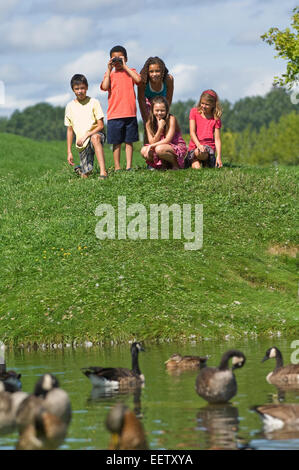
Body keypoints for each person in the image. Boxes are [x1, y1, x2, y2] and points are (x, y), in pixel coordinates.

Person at [100, 45, 141, 171]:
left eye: (120, 59)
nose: (117, 61)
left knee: (129, 141)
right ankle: (117, 167)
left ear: (126, 59)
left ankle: (129, 166)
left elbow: (138, 80)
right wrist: (108, 69)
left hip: (130, 113)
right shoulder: (110, 75)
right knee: (116, 142)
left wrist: (125, 66)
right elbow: (105, 87)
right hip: (114, 114)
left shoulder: (131, 71)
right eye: (114, 59)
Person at [65, 74, 107, 179]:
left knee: (95, 138)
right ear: (73, 90)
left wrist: (87, 135)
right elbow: (70, 130)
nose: (80, 91)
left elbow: (100, 125)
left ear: (87, 87)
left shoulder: (94, 102)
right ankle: (81, 170)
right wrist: (69, 151)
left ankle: (103, 172)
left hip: (96, 135)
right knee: (86, 174)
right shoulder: (70, 106)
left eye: (82, 88)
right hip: (82, 144)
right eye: (77, 89)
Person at [140, 96, 187, 170]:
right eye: (157, 110)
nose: (159, 113)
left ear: (167, 110)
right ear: (152, 110)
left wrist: (151, 146)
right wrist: (160, 128)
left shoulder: (171, 119)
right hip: (158, 146)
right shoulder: (149, 123)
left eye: (162, 110)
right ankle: (163, 165)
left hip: (174, 146)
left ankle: (176, 164)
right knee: (143, 150)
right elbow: (152, 141)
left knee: (159, 149)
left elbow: (168, 140)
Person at [186, 89, 222, 169]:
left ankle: (206, 161)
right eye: (202, 103)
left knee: (202, 153)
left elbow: (217, 139)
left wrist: (219, 156)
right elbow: (192, 132)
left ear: (213, 105)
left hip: (208, 148)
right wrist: (198, 145)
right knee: (197, 166)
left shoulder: (215, 118)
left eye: (207, 104)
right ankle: (195, 160)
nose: (203, 106)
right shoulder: (194, 112)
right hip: (195, 146)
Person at [138, 57, 174, 124]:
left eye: (157, 71)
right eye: (151, 72)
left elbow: (169, 99)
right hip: (148, 106)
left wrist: (165, 117)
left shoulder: (169, 80)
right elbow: (141, 101)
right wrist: (147, 121)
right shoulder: (143, 81)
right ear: (147, 72)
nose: (154, 74)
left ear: (162, 71)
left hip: (162, 106)